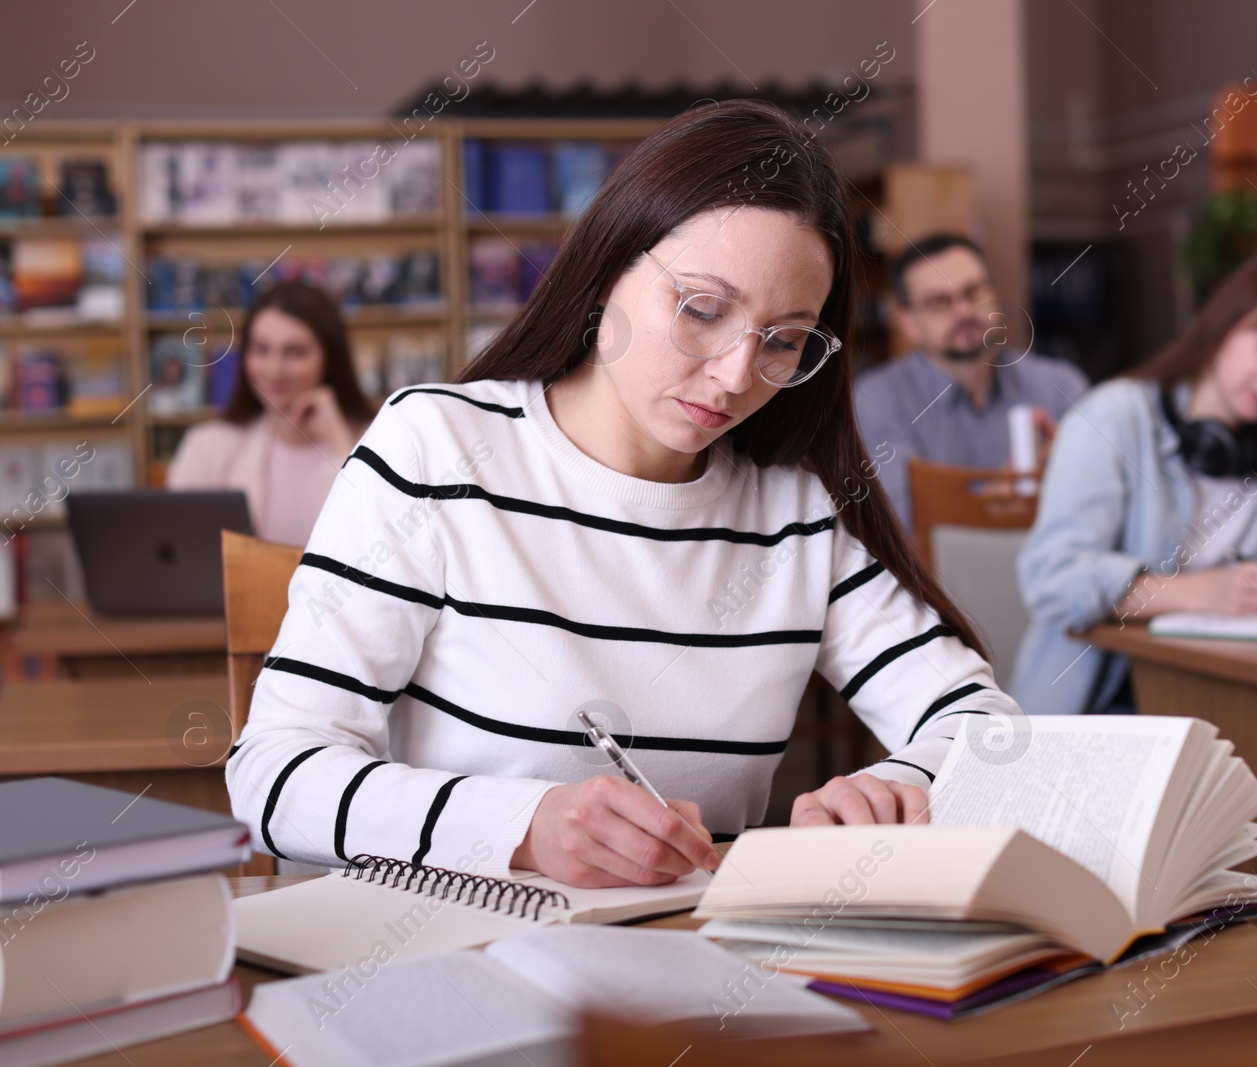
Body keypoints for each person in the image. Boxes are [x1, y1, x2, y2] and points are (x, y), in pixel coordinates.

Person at [226, 100, 1019, 889]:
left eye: (784, 341)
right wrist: (521, 828)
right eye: (702, 310)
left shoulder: (795, 510)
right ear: (607, 269)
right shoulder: (436, 447)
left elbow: (985, 725)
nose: (739, 375)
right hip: (458, 958)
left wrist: (902, 786)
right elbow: (274, 773)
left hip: (698, 972)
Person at [1008, 249, 1257, 718]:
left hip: (1242, 689)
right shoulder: (1113, 416)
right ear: (1224, 324)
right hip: (1110, 697)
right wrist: (1205, 592)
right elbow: (1052, 577)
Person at [853, 234, 1090, 527]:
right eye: (939, 302)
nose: (964, 311)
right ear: (908, 323)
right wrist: (1004, 491)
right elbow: (905, 522)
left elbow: (1095, 506)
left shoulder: (1060, 385)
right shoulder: (877, 397)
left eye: (973, 292)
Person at [166, 281, 373, 546]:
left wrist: (339, 444)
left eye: (294, 352)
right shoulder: (206, 447)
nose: (274, 370)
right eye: (261, 350)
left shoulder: (377, 443)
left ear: (330, 360)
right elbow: (179, 553)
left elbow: (384, 549)